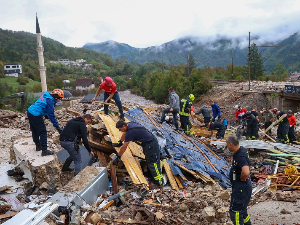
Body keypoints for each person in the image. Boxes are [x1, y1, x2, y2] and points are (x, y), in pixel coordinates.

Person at [113, 121, 163, 185]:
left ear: (124, 126)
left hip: (151, 144)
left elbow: (124, 147)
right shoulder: (129, 125)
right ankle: (152, 175)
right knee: (148, 160)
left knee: (152, 162)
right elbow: (124, 134)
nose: (120, 131)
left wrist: (118, 156)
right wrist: (119, 142)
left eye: (120, 129)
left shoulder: (131, 132)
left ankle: (159, 182)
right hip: (148, 143)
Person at [27, 89, 64, 156]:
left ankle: (38, 146)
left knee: (34, 130)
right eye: (60, 98)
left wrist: (46, 115)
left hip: (30, 112)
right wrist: (57, 127)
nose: (60, 100)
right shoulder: (50, 101)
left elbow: (42, 105)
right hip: (36, 115)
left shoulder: (47, 96)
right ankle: (44, 151)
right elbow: (51, 115)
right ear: (56, 97)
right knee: (43, 132)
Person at [226, 135, 252, 225]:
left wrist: (242, 177)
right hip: (241, 187)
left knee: (235, 212)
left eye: (227, 144)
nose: (227, 147)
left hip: (241, 187)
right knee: (242, 211)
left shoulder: (240, 156)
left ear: (231, 144)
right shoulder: (241, 151)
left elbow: (246, 172)